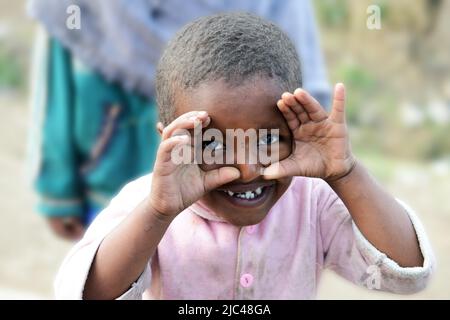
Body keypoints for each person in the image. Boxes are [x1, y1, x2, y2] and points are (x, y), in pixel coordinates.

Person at [54, 13, 434, 299]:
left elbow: (407, 273)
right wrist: (157, 213)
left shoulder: (313, 200)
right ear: (170, 141)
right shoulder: (151, 203)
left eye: (269, 139)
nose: (247, 168)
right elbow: (86, 294)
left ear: (296, 130)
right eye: (213, 144)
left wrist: (346, 173)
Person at [27, 0, 330, 240]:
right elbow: (57, 85)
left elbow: (306, 87)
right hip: (109, 181)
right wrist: (57, 188)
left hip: (240, 195)